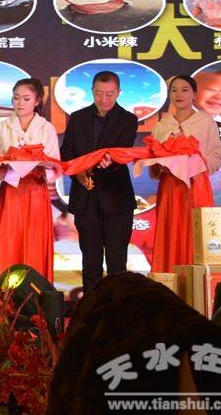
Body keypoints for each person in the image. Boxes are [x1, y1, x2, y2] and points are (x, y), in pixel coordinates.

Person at [60, 71, 138, 291]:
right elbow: (67, 153)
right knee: (90, 263)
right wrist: (78, 174)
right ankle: (92, 307)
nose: (104, 99)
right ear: (92, 91)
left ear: (119, 92)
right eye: (99, 93)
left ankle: (117, 308)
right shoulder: (77, 118)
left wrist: (109, 162)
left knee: (117, 264)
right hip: (85, 199)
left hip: (116, 199)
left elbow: (123, 152)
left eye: (110, 94)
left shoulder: (128, 120)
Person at [0, 78, 60, 285]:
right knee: (9, 241)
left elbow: (54, 162)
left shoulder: (46, 128)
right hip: (11, 191)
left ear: (37, 101)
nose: (20, 103)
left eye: (26, 98)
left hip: (36, 190)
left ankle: (35, 292)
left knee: (34, 240)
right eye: (16, 98)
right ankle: (3, 294)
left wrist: (38, 166)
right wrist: (8, 165)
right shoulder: (3, 127)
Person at [150, 75, 221, 272]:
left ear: (194, 95)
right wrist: (160, 165)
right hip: (170, 187)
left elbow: (216, 157)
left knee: (196, 233)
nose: (179, 94)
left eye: (184, 90)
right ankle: (168, 281)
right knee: (169, 232)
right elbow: (152, 162)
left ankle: (198, 282)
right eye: (174, 90)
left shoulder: (205, 122)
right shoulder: (161, 126)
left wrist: (195, 163)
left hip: (197, 186)